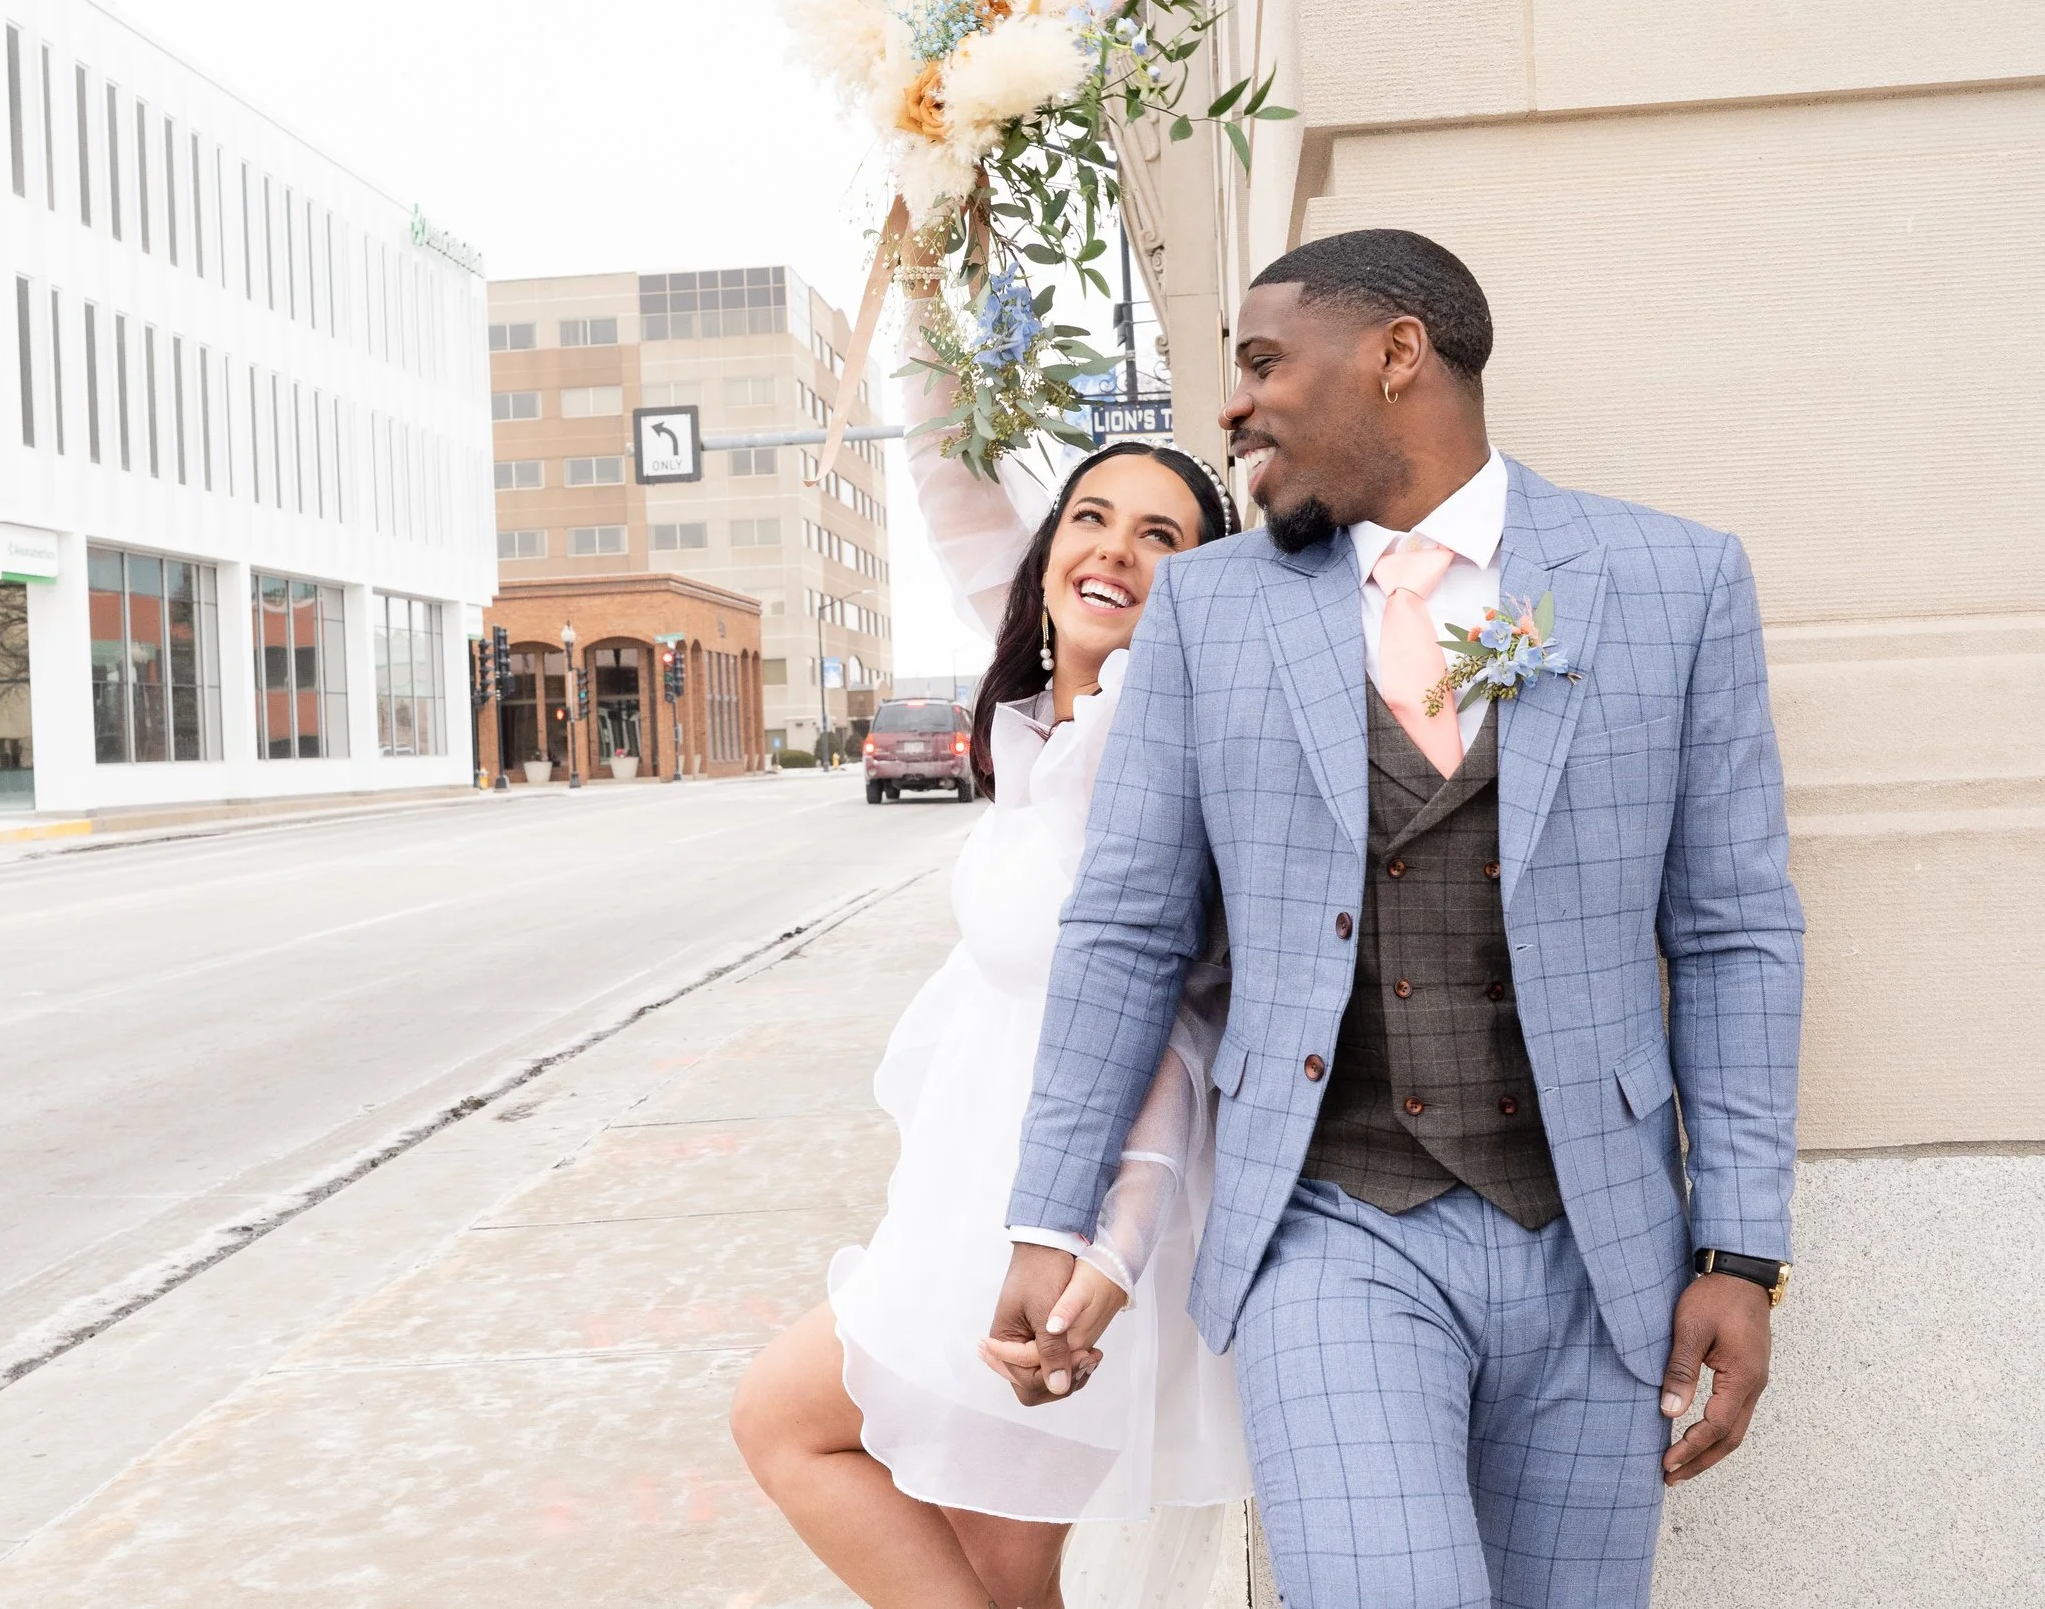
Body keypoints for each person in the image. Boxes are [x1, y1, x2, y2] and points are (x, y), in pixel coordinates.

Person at [991, 228, 1805, 1608]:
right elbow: (1128, 931)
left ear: (1395, 354)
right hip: (1329, 1229)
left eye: (1261, 364)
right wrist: (1049, 1218)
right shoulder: (1209, 610)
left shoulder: (1676, 583)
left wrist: (1740, 1251)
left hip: (1600, 1249)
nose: (1233, 407)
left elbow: (1733, 933)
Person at [730, 273, 1252, 1609]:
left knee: (786, 1424)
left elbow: (1175, 1028)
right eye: (1091, 518)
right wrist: (934, 268)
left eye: (1162, 537)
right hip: (968, 1205)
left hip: (1054, 1221)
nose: (1116, 550)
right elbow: (962, 505)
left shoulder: (1153, 743)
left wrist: (1106, 1249)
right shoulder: (1048, 730)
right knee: (993, 1571)